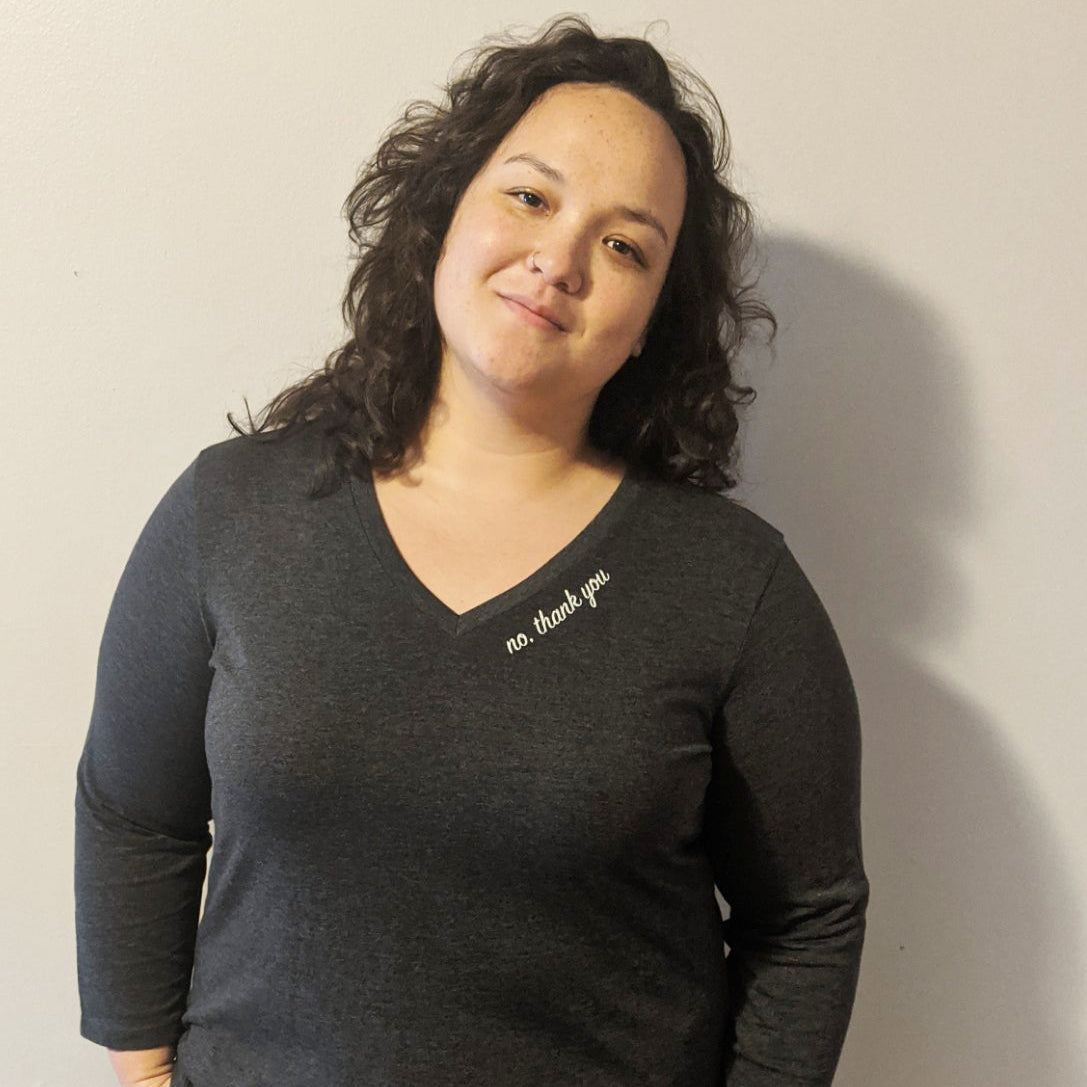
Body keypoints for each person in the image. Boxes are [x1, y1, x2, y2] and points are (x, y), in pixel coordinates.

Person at [75, 15, 869, 1087]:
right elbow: (134, 811)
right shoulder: (233, 511)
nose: (560, 258)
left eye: (624, 243)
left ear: (651, 321)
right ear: (444, 211)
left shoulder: (733, 589)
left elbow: (807, 916)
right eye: (530, 196)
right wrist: (140, 1071)